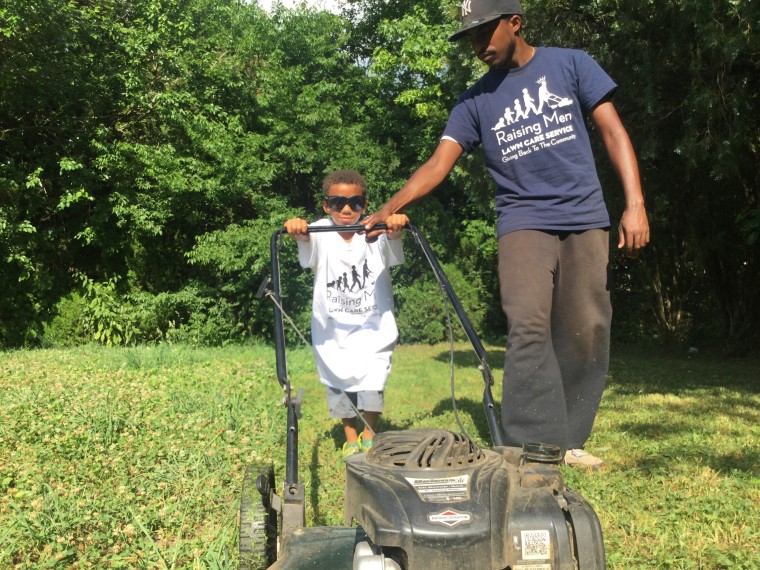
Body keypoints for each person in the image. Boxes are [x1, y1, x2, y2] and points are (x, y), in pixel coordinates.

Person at [363, 0, 650, 469]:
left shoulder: (571, 63)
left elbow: (614, 133)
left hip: (583, 217)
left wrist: (634, 205)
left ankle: (571, 437)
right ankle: (527, 445)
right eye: (470, 37)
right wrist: (389, 206)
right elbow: (439, 164)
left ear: (514, 23)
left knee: (587, 327)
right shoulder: (475, 100)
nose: (477, 45)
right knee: (527, 325)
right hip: (522, 223)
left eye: (484, 32)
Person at [284, 169, 410, 461]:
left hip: (373, 327)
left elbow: (394, 241)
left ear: (365, 204)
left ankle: (370, 435)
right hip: (333, 331)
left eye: (355, 203)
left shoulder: (375, 231)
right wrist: (297, 230)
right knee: (338, 385)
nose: (346, 209)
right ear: (326, 205)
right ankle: (350, 437)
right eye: (338, 202)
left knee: (373, 383)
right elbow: (305, 241)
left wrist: (396, 226)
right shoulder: (318, 231)